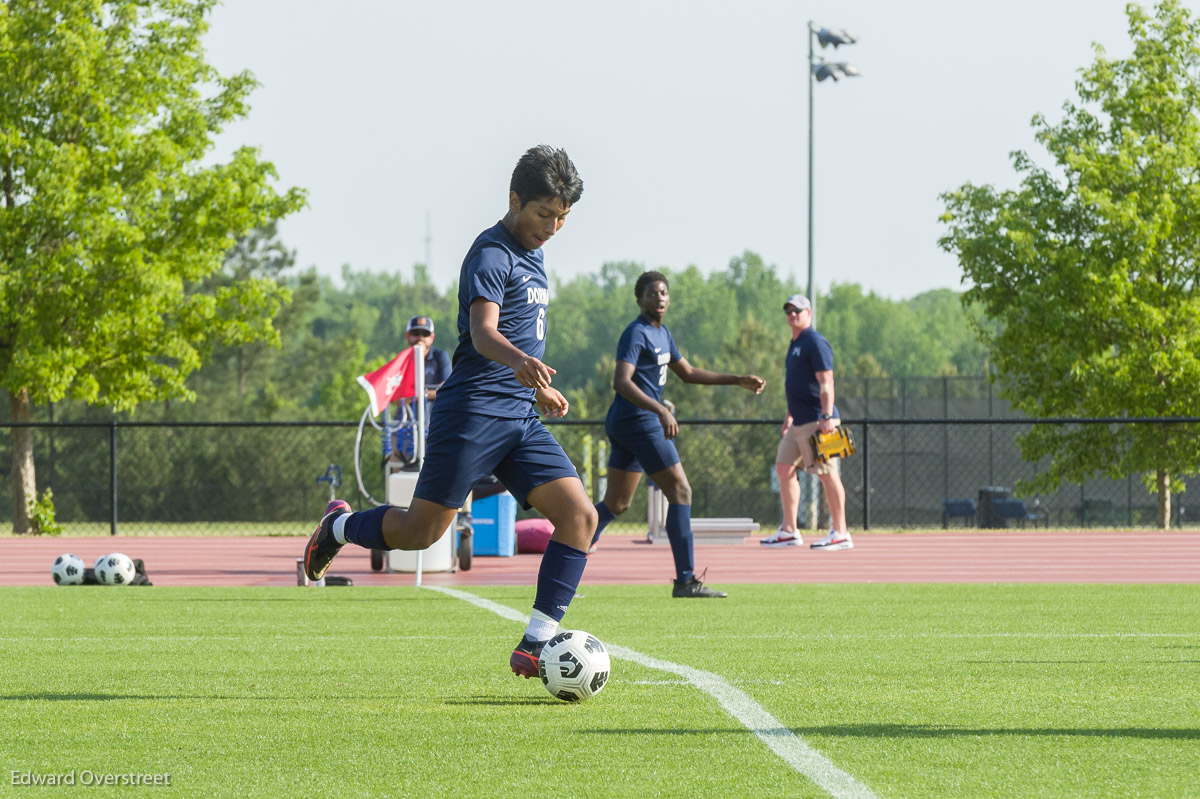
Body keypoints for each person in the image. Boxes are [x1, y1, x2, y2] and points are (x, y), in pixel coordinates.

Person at [304, 145, 597, 677]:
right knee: (421, 532)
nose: (552, 227)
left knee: (581, 517)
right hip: (473, 414)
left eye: (562, 218)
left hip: (519, 416)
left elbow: (516, 339)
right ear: (514, 199)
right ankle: (339, 528)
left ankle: (535, 644)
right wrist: (523, 364)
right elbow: (484, 335)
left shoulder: (535, 255)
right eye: (543, 214)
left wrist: (535, 387)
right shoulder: (491, 253)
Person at [589, 271, 765, 597]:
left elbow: (688, 373)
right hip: (638, 422)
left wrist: (736, 378)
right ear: (639, 299)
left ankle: (569, 549)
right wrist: (661, 410)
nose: (660, 298)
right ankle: (686, 580)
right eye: (653, 293)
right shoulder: (636, 333)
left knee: (617, 502)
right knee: (681, 492)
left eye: (664, 293)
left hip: (629, 423)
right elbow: (621, 382)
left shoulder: (662, 334)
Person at [760, 293, 851, 550]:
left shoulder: (815, 342)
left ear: (808, 314)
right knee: (783, 468)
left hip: (819, 421)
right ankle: (789, 530)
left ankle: (841, 532)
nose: (792, 315)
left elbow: (826, 383)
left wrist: (826, 417)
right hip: (798, 422)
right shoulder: (795, 343)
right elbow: (797, 384)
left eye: (797, 311)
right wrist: (789, 416)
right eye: (788, 311)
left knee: (827, 475)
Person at [403, 315, 452, 403]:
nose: (420, 338)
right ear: (407, 336)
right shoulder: (402, 361)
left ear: (432, 337)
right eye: (415, 333)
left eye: (425, 334)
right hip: (406, 415)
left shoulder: (440, 357)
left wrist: (414, 397)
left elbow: (447, 389)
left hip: (432, 415)